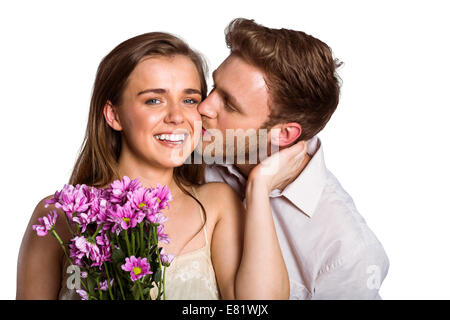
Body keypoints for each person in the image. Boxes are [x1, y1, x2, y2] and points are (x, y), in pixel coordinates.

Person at [16, 32, 293, 300]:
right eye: (154, 100)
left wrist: (258, 187)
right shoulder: (58, 216)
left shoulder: (217, 205)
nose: (176, 116)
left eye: (189, 100)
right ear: (114, 115)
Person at [198, 18, 390, 299]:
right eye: (213, 87)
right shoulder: (192, 151)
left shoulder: (347, 250)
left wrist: (258, 187)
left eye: (229, 104)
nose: (204, 107)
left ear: (285, 133)